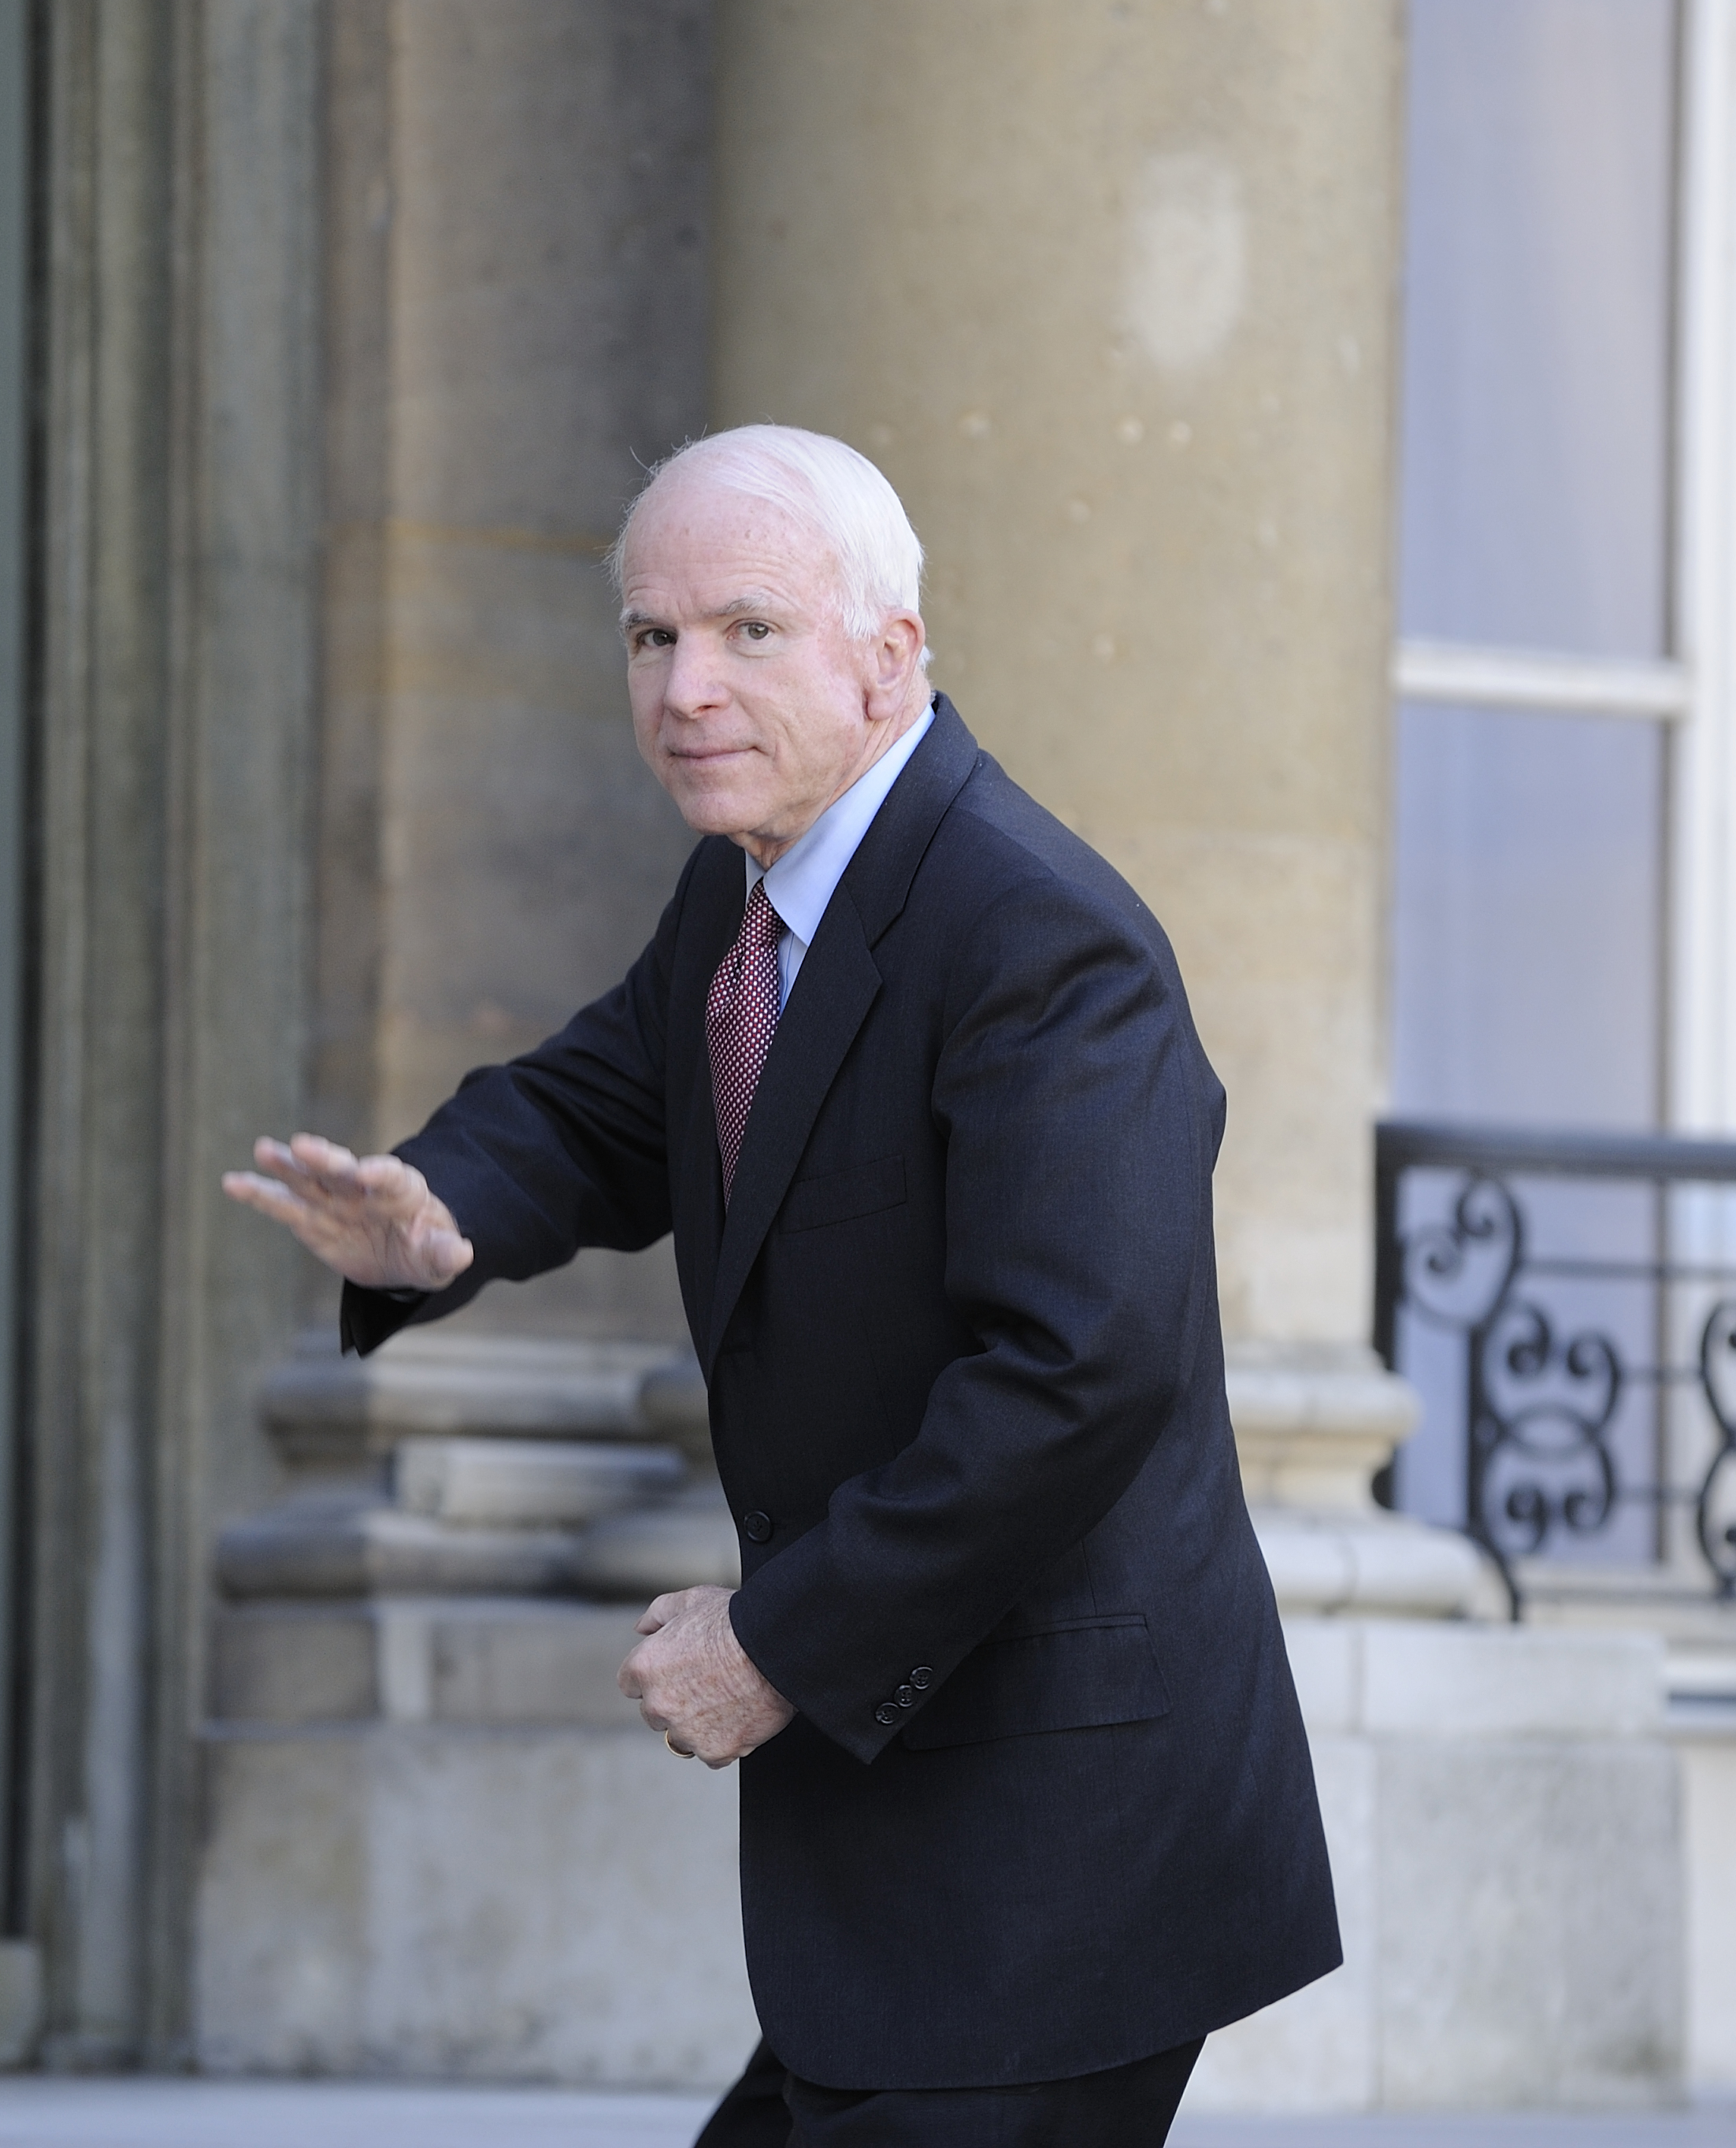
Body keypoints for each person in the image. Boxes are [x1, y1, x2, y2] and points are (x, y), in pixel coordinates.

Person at [223, 425, 1339, 2146]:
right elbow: (606, 1103)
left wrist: (773, 1642)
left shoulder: (1040, 939)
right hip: (926, 1839)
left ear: (889, 657)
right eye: (649, 637)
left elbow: (1076, 1376)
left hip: (1062, 1832)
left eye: (749, 630)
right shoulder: (748, 897)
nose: (684, 688)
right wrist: (439, 1214)